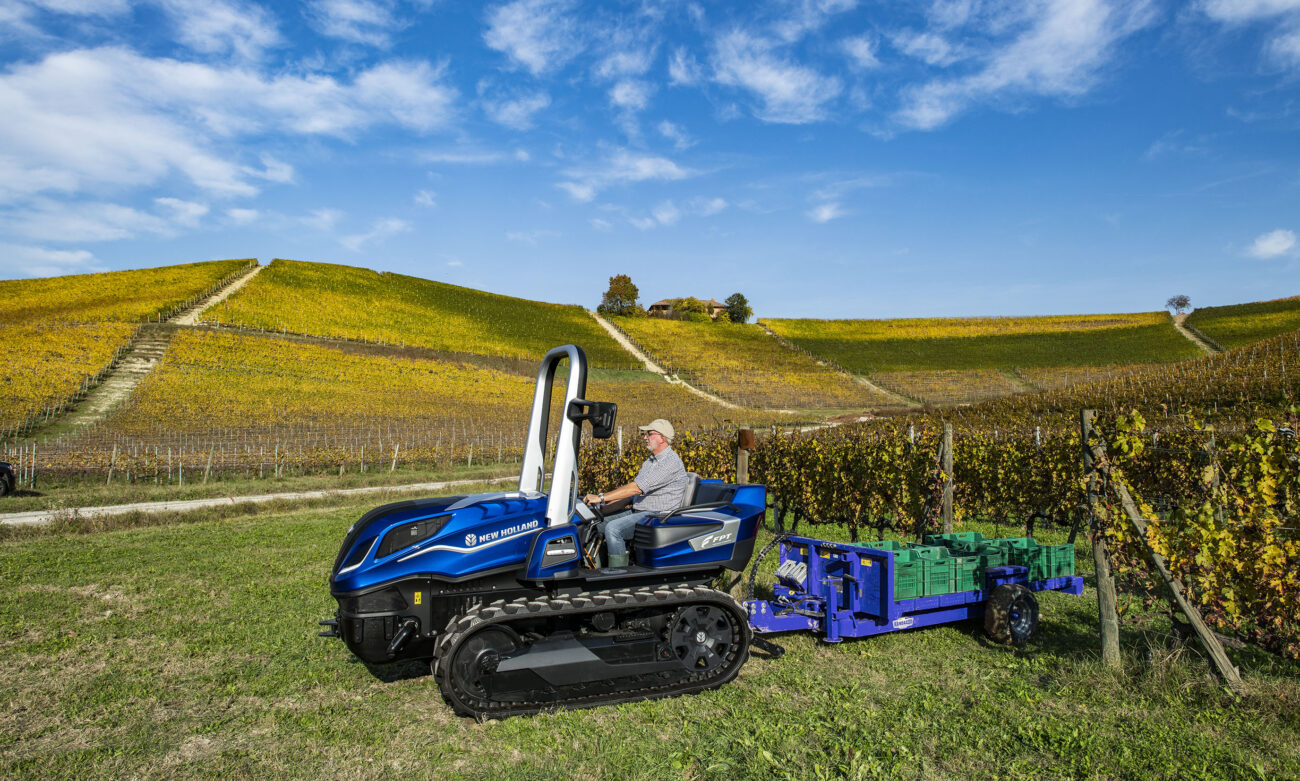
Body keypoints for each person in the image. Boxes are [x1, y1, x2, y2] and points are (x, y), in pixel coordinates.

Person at [582, 418, 687, 568]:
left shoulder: (670, 463)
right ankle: (593, 569)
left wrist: (601, 497)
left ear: (662, 438)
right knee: (594, 524)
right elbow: (632, 496)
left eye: (649, 434)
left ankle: (618, 576)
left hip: (658, 515)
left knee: (614, 529)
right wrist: (602, 510)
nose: (645, 437)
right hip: (639, 511)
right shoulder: (651, 461)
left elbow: (636, 488)